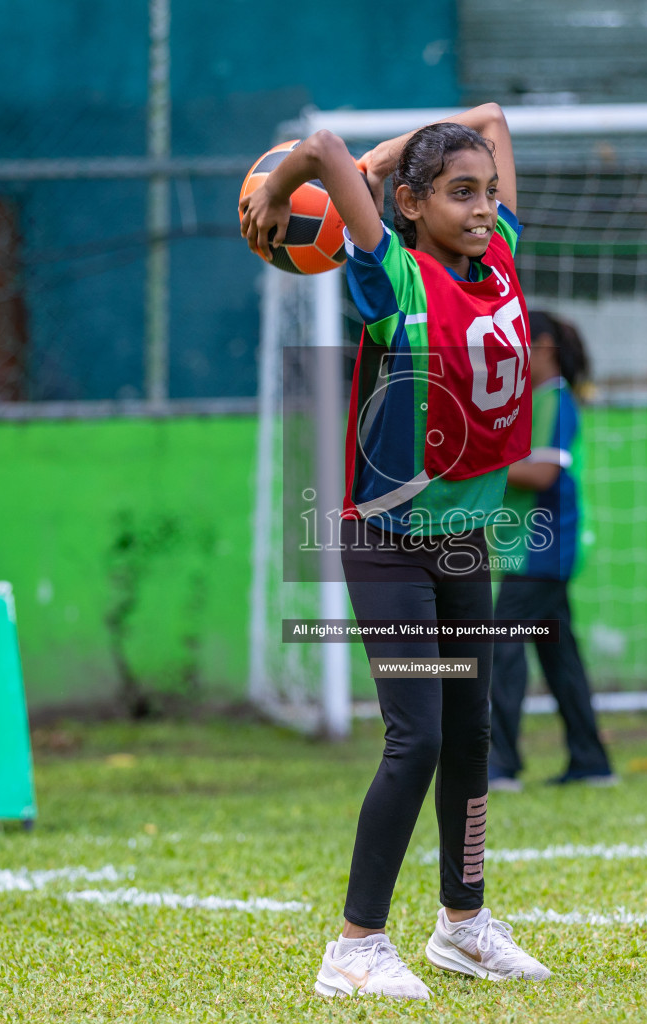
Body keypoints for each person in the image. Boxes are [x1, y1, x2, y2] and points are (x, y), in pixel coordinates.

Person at [241, 103, 552, 1000]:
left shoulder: (498, 261)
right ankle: (356, 945)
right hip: (389, 542)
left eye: (489, 191)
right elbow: (326, 145)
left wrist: (398, 156)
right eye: (461, 194)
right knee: (413, 738)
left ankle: (463, 926)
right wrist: (300, 180)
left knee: (472, 733)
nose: (484, 207)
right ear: (409, 205)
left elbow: (490, 115)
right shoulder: (393, 283)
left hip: (465, 540)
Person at [487, 311, 616, 790]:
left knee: (501, 647)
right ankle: (591, 760)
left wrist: (475, 469)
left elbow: (542, 474)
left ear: (541, 347)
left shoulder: (555, 400)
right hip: (530, 549)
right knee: (560, 656)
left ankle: (499, 762)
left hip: (542, 551)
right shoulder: (535, 401)